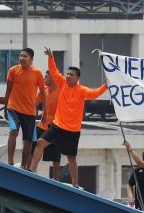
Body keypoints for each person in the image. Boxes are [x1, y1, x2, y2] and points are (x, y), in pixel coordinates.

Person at [26, 47, 108, 187]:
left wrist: (106, 85)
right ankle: (31, 171)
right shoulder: (62, 83)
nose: (68, 76)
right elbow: (54, 71)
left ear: (77, 78)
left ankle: (75, 184)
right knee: (40, 142)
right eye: (68, 74)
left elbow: (94, 94)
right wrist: (51, 57)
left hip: (72, 130)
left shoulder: (82, 90)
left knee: (71, 158)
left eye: (71, 74)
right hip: (57, 125)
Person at [2, 48, 47, 168]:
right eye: (20, 56)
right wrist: (6, 107)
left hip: (29, 112)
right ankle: (10, 162)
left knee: (28, 140)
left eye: (25, 56)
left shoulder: (37, 73)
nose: (22, 58)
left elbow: (43, 94)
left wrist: (45, 113)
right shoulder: (13, 70)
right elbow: (8, 89)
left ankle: (23, 166)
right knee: (13, 131)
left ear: (31, 59)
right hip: (13, 108)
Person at [35, 73, 62, 180]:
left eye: (46, 77)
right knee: (33, 147)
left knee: (55, 155)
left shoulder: (60, 91)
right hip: (42, 125)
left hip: (55, 127)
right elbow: (34, 102)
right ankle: (31, 172)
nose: (43, 79)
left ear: (53, 79)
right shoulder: (44, 89)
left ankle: (56, 178)